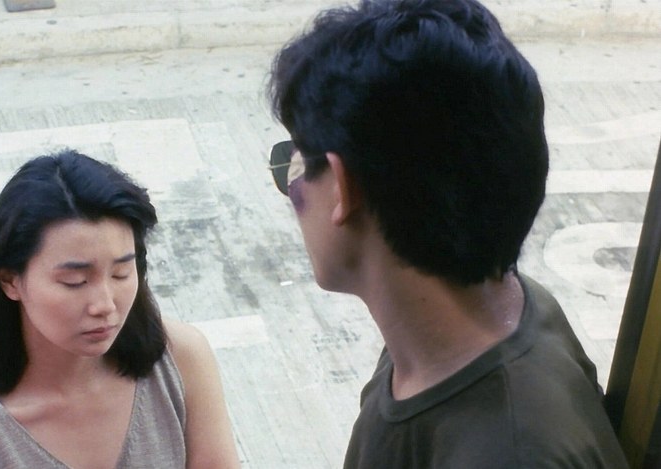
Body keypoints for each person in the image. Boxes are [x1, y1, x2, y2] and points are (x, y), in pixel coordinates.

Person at [266, 0, 628, 467]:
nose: (289, 185)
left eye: (294, 163)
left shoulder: (509, 452)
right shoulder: (454, 325)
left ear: (341, 187)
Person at [0, 150, 239, 469]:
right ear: (10, 280)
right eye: (75, 281)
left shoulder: (182, 359)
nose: (105, 305)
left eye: (121, 273)